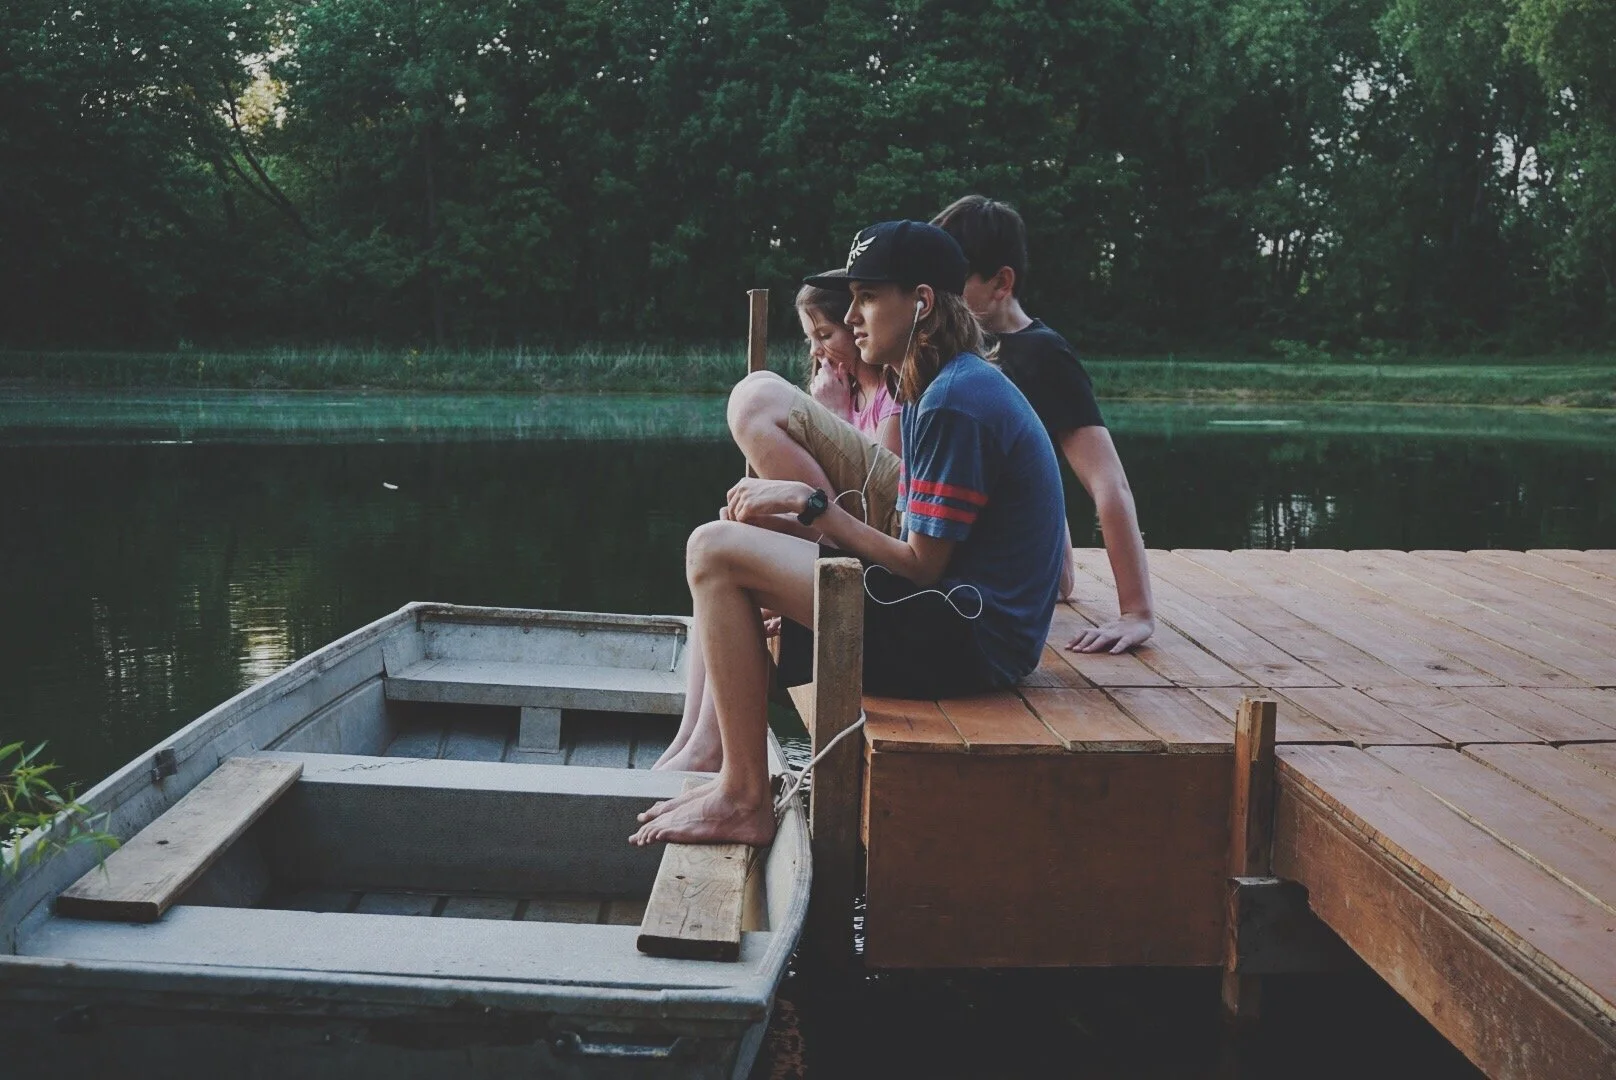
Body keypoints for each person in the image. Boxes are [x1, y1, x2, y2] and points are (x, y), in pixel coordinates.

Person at [630, 220, 1066, 847]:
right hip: (966, 621)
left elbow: (922, 567)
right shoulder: (940, 384)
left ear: (920, 303)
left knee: (714, 550)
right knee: (734, 550)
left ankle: (743, 796)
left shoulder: (954, 401)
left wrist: (814, 508)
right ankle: (724, 766)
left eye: (867, 297)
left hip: (970, 642)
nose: (853, 315)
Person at [650, 285, 903, 774]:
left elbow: (863, 506)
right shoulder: (857, 392)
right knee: (724, 534)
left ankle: (705, 747)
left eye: (825, 334)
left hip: (858, 553)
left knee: (731, 552)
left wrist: (829, 411)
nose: (816, 350)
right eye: (810, 337)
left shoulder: (891, 401)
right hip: (833, 532)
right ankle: (692, 737)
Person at [932, 195, 1155, 655]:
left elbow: (1109, 482)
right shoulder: (952, 348)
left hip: (1018, 572)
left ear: (1001, 282)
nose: (939, 297)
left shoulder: (1040, 354)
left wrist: (1136, 613)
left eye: (953, 284)